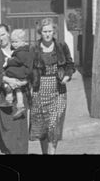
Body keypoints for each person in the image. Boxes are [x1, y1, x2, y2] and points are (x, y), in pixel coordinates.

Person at [28, 18, 75, 155]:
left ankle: (52, 153)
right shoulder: (34, 48)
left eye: (50, 31)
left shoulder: (61, 46)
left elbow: (70, 64)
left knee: (53, 125)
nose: (48, 34)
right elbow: (28, 69)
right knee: (43, 127)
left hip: (58, 90)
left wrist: (67, 75)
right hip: (39, 91)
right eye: (45, 31)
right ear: (40, 32)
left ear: (54, 31)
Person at [0, 24, 32, 154]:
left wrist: (23, 81)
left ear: (8, 33)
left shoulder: (19, 50)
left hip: (20, 99)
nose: (0, 38)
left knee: (21, 134)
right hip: (2, 100)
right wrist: (7, 80)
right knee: (7, 135)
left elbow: (31, 68)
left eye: (3, 34)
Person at [1, 31, 35, 119]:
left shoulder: (21, 51)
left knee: (7, 74)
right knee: (18, 88)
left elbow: (18, 61)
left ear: (22, 41)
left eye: (16, 42)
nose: (14, 44)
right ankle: (20, 106)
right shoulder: (27, 49)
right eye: (12, 42)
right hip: (25, 74)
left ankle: (9, 98)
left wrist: (8, 61)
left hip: (23, 73)